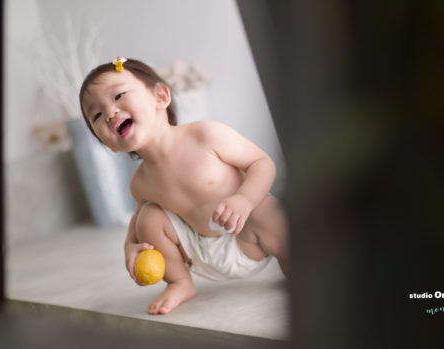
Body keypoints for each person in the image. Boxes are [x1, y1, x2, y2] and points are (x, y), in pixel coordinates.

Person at [79, 57, 288, 315]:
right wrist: (130, 248)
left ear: (160, 96)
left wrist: (244, 199)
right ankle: (180, 282)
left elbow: (262, 163)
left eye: (119, 95)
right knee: (148, 217)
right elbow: (136, 226)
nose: (110, 113)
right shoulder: (141, 183)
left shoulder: (206, 136)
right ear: (107, 144)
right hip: (199, 253)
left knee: (271, 210)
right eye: (97, 115)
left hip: (245, 236)